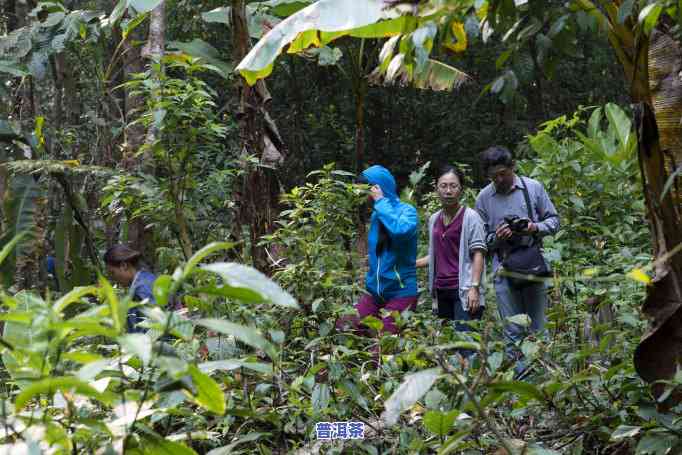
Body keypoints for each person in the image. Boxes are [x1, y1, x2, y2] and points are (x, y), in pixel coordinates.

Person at [474, 146, 560, 375]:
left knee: (538, 327)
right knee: (512, 330)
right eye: (494, 176)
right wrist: (498, 238)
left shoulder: (532, 188)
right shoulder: (484, 198)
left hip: (532, 263)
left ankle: (544, 382)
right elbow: (480, 241)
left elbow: (554, 221)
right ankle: (520, 383)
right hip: (504, 269)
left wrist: (533, 228)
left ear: (513, 167)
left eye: (504, 173)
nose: (500, 179)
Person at [337, 165, 419, 336]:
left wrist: (381, 201)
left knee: (382, 348)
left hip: (401, 292)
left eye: (367, 191)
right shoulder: (376, 216)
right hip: (376, 292)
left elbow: (400, 231)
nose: (365, 198)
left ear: (379, 188)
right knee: (343, 328)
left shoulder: (407, 211)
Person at [416, 165, 487, 338]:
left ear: (461, 189)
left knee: (465, 345)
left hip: (464, 291)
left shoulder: (471, 217)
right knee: (447, 345)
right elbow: (435, 255)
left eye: (453, 186)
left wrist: (474, 288)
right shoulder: (434, 219)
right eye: (444, 186)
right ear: (436, 189)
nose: (448, 191)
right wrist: (411, 264)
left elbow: (479, 252)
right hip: (441, 290)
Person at [103, 244, 157, 333]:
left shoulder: (142, 288)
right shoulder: (147, 278)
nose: (113, 278)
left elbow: (154, 327)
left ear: (124, 266)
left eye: (112, 273)